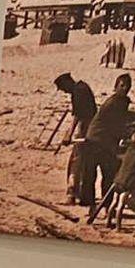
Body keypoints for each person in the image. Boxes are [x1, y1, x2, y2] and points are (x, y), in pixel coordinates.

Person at [79, 73, 134, 221]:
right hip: (96, 141)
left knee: (105, 175)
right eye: (122, 85)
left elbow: (119, 124)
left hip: (103, 141)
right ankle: (94, 207)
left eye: (127, 86)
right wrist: (128, 137)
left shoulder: (120, 102)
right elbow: (116, 125)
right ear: (116, 87)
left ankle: (104, 207)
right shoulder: (115, 103)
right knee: (94, 175)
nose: (125, 88)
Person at [54, 72, 98, 205]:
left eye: (63, 88)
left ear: (67, 83)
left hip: (85, 128)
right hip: (91, 128)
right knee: (83, 163)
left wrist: (69, 134)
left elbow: (78, 116)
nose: (64, 91)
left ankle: (72, 194)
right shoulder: (82, 87)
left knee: (75, 163)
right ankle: (81, 194)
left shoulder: (78, 91)